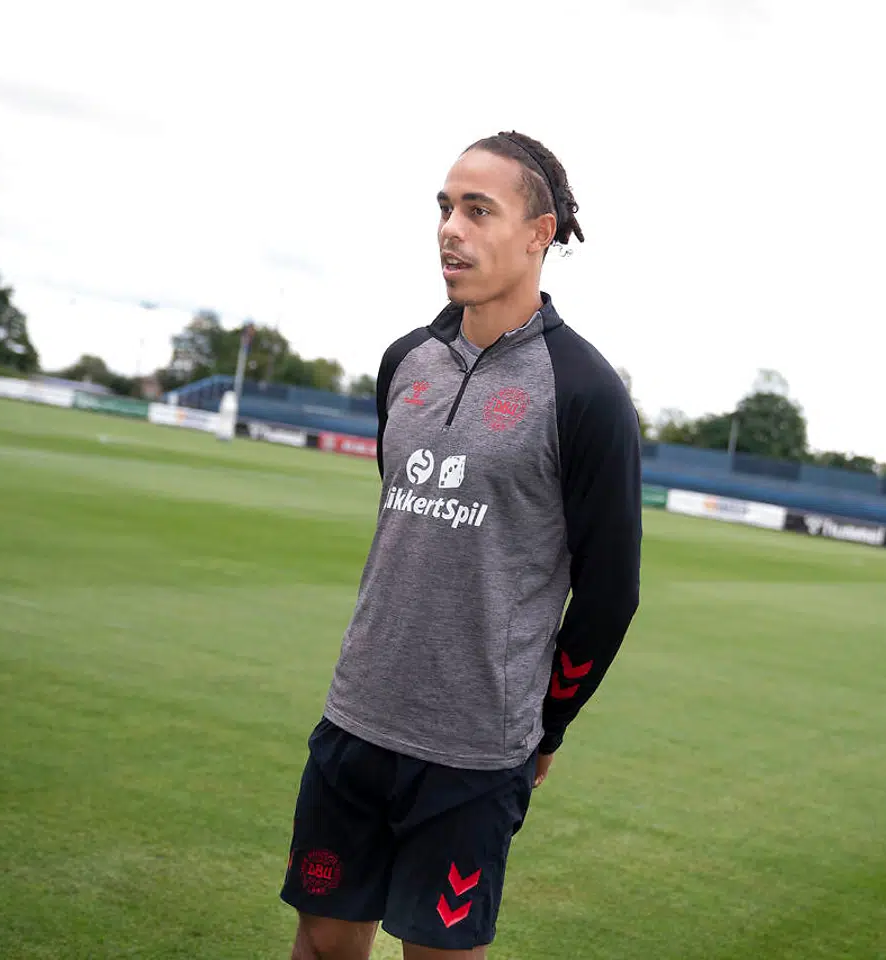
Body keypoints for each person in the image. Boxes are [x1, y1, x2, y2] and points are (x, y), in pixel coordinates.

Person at [280, 131, 644, 959]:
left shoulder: (585, 394)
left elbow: (611, 594)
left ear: (538, 233)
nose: (452, 228)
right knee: (321, 946)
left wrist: (546, 727)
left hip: (474, 754)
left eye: (479, 210)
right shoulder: (405, 361)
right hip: (356, 719)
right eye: (445, 208)